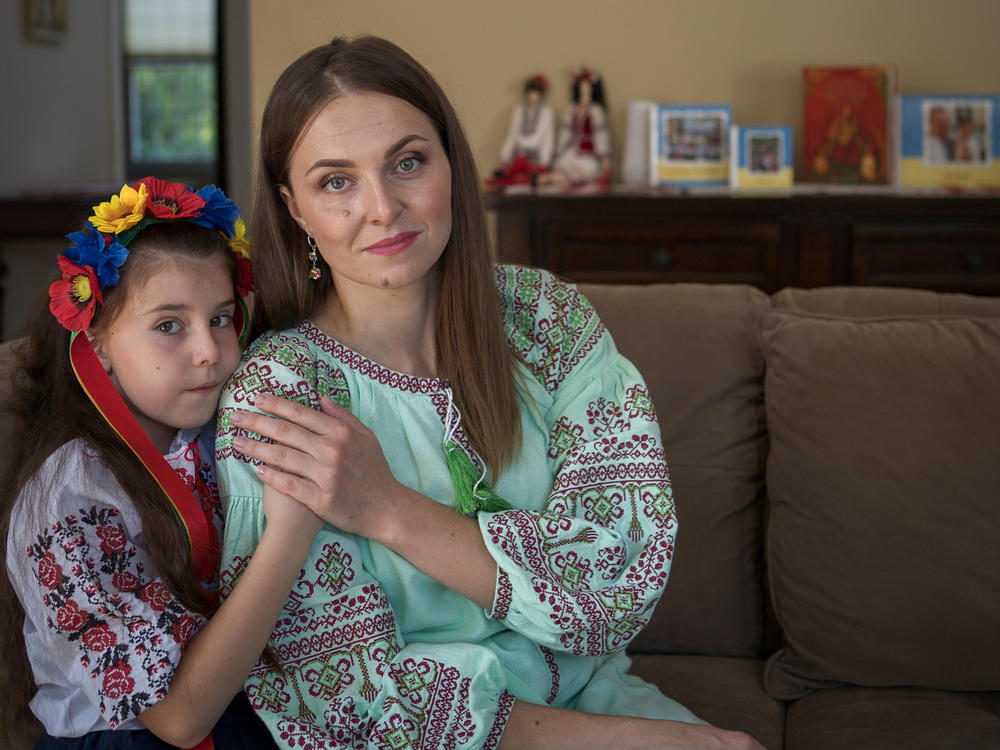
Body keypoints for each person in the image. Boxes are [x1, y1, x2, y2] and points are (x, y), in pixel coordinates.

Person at [217, 35, 766, 750]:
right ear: (294, 209)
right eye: (336, 182)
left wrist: (388, 509)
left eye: (407, 163)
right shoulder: (283, 393)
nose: (382, 208)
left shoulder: (549, 321)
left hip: (598, 698)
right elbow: (346, 702)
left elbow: (615, 586)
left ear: (452, 163)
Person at [0, 178, 325, 749]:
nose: (208, 350)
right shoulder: (74, 492)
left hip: (247, 719)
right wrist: (290, 536)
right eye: (169, 325)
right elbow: (175, 719)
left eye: (221, 318)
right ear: (97, 339)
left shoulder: (222, 432)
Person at [544, 66, 612, 184]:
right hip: (571, 152)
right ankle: (549, 178)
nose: (584, 91)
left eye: (587, 88)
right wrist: (559, 152)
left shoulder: (596, 111)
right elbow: (565, 134)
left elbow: (601, 137)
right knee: (562, 170)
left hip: (588, 154)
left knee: (583, 174)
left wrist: (604, 159)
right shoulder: (572, 110)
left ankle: (549, 179)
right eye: (581, 88)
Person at [491, 74, 556, 186]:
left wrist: (545, 161)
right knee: (510, 177)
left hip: (536, 160)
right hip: (520, 157)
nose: (533, 96)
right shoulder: (519, 112)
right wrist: (505, 157)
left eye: (536, 93)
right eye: (531, 92)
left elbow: (548, 138)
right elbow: (512, 135)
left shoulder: (547, 113)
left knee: (533, 178)